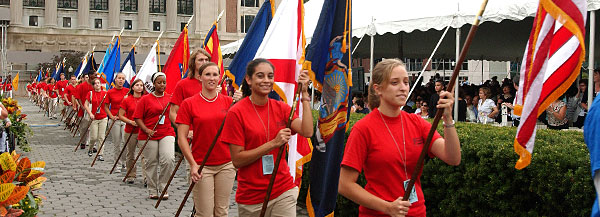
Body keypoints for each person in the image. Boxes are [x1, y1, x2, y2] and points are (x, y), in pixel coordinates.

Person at [338, 59, 461, 217]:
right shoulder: (363, 129)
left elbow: (453, 158)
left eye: (406, 82)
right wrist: (387, 207)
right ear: (378, 89)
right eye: (395, 83)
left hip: (416, 212)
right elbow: (345, 184)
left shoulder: (417, 123)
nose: (403, 88)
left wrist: (448, 119)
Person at [220, 58, 313, 216]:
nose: (266, 80)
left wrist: (304, 94)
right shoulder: (237, 113)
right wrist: (273, 144)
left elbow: (308, 131)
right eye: (260, 76)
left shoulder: (281, 108)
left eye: (270, 76)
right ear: (249, 80)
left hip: (282, 190)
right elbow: (237, 160)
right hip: (251, 197)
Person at [176, 62, 241, 217]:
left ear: (219, 77)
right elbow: (181, 138)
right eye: (207, 74)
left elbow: (242, 127)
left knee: (221, 211)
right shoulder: (189, 103)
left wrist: (241, 102)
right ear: (200, 77)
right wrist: (192, 164)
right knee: (204, 213)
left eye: (215, 75)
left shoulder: (229, 102)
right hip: (201, 165)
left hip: (226, 164)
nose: (212, 78)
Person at [133, 72, 175, 199]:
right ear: (153, 84)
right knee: (151, 162)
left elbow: (175, 113)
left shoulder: (170, 98)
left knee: (168, 159)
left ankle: (163, 187)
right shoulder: (145, 99)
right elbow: (137, 117)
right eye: (159, 82)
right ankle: (152, 189)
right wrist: (146, 130)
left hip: (166, 132)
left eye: (164, 82)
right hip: (148, 134)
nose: (162, 85)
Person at [119, 79, 147, 184]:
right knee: (130, 154)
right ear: (133, 87)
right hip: (130, 131)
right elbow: (120, 115)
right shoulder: (127, 100)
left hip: (142, 131)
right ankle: (131, 174)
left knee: (145, 155)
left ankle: (146, 178)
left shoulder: (145, 99)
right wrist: (130, 121)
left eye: (141, 85)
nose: (140, 87)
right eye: (137, 85)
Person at [103, 73, 130, 172]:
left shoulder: (128, 91)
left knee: (125, 142)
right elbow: (106, 106)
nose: (121, 80)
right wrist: (111, 116)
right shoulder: (110, 92)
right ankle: (117, 164)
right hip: (115, 120)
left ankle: (124, 162)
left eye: (123, 78)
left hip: (125, 120)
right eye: (119, 78)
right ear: (115, 79)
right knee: (117, 143)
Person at [84, 77, 108, 160]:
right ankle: (90, 148)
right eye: (95, 83)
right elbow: (86, 104)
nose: (97, 84)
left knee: (101, 137)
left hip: (103, 117)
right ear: (93, 85)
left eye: (99, 83)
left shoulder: (105, 93)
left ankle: (100, 154)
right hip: (94, 118)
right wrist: (90, 113)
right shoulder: (90, 93)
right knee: (93, 137)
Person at [74, 73, 94, 149]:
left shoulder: (95, 85)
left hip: (93, 109)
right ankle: (83, 141)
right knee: (84, 127)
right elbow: (77, 97)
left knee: (92, 127)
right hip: (84, 109)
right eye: (94, 75)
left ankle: (91, 142)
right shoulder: (82, 86)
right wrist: (81, 106)